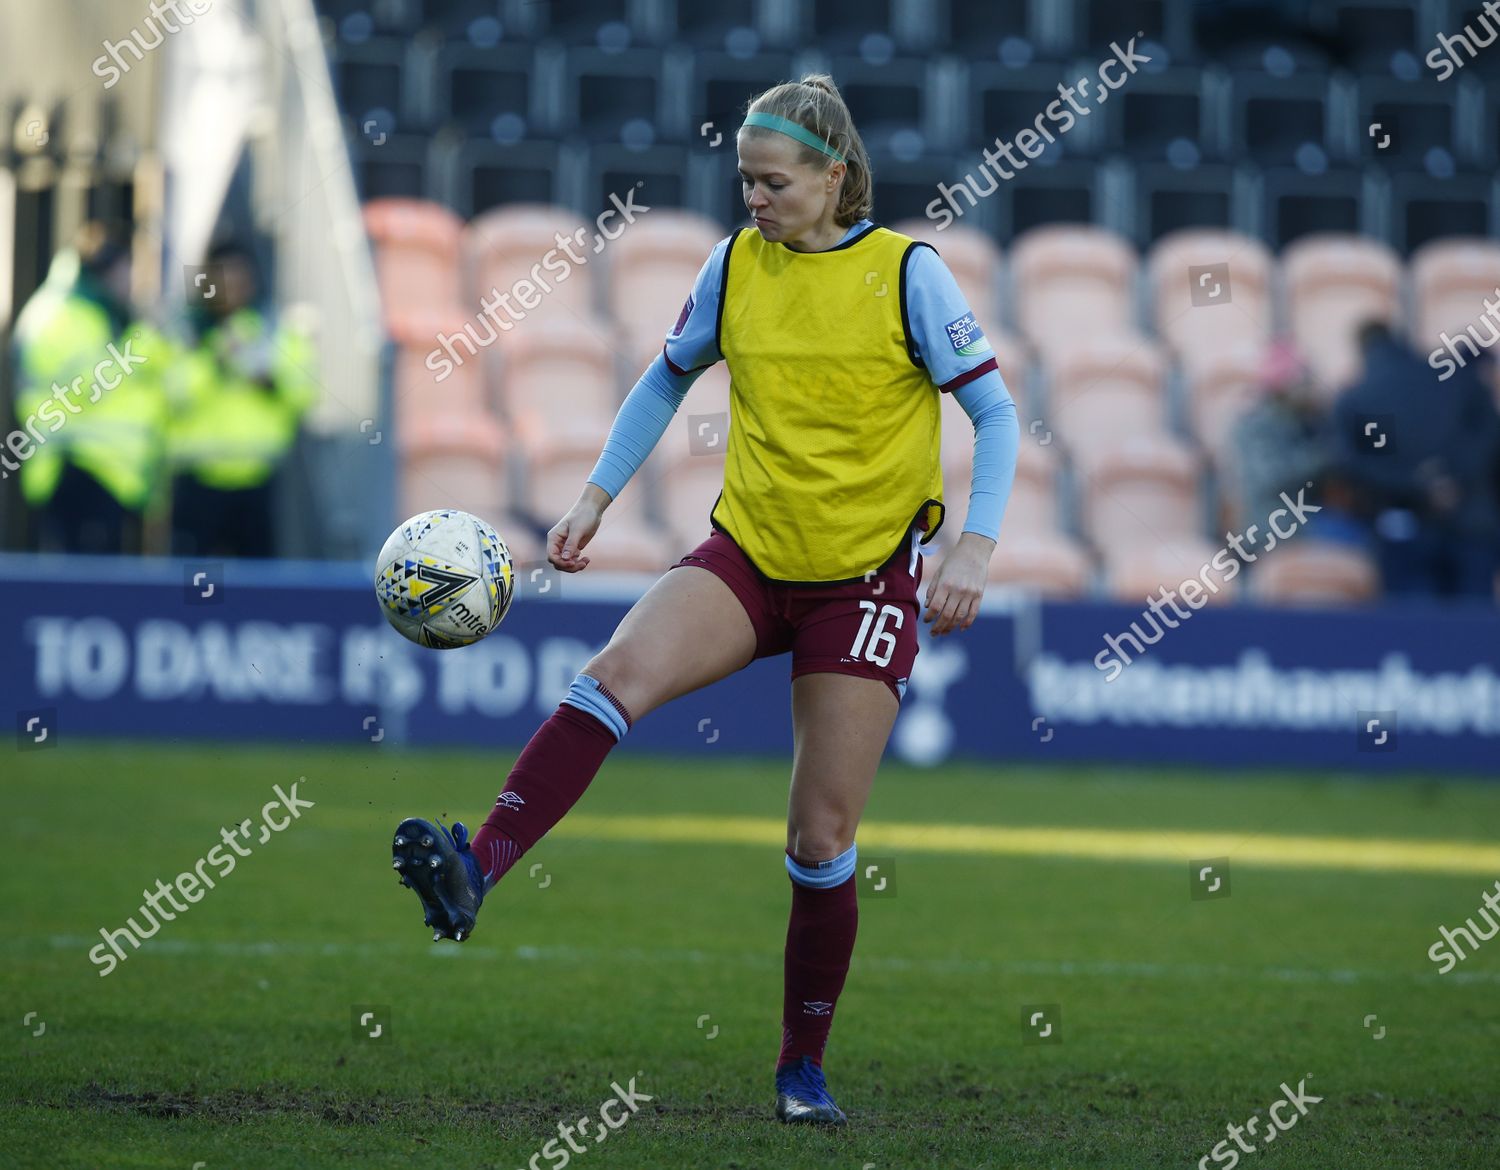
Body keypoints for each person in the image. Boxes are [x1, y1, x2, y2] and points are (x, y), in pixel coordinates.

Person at [389, 75, 1019, 1125]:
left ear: (834, 174)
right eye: (744, 183)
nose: (755, 201)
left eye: (774, 183)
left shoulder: (908, 274)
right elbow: (663, 378)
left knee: (819, 839)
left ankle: (800, 1069)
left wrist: (975, 548)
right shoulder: (734, 266)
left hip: (863, 582)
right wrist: (595, 498)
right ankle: (478, 867)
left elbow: (995, 415)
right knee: (610, 679)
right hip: (751, 558)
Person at [9, 222, 166, 553]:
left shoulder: (90, 313)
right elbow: (90, 386)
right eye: (127, 271)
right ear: (106, 272)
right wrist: (146, 342)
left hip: (104, 471)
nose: (133, 283)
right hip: (80, 468)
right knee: (86, 591)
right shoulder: (67, 315)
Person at [1329, 320, 1500, 600]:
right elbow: (1489, 434)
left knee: (1414, 628)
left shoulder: (1358, 397)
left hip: (1403, 525)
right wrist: (1451, 479)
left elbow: (1354, 464)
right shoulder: (1455, 376)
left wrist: (1418, 487)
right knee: (1475, 628)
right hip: (1471, 519)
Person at [168, 240, 317, 558]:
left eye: (240, 280)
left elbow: (304, 392)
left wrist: (269, 381)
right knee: (191, 588)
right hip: (197, 479)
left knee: (257, 587)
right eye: (225, 280)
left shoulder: (273, 329)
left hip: (257, 480)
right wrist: (214, 361)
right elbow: (172, 393)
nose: (233, 290)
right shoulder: (185, 331)